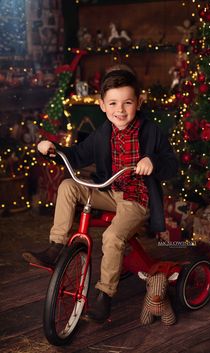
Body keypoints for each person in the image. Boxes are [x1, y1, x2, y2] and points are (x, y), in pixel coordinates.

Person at [22, 65, 178, 323]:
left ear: (138, 102)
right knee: (68, 187)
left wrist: (153, 162)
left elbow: (171, 164)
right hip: (110, 191)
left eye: (127, 102)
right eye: (113, 103)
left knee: (113, 236)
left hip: (136, 200)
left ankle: (104, 296)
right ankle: (56, 246)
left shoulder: (150, 131)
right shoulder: (103, 133)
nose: (120, 110)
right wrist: (53, 149)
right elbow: (77, 155)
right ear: (103, 105)